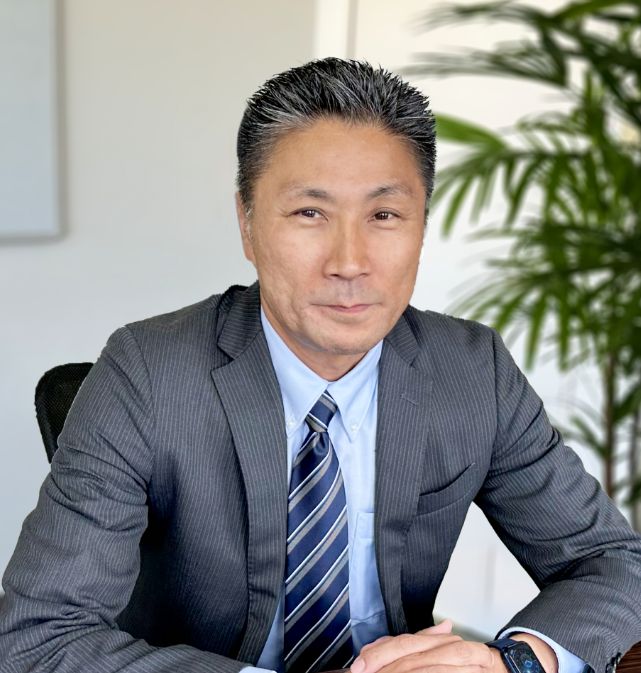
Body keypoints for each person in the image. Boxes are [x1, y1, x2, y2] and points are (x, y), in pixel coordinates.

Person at [1, 57, 640, 673]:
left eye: (384, 215)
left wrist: (519, 661)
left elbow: (614, 562)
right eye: (310, 213)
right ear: (247, 223)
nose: (349, 262)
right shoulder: (145, 373)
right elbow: (37, 636)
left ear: (422, 225)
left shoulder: (474, 372)